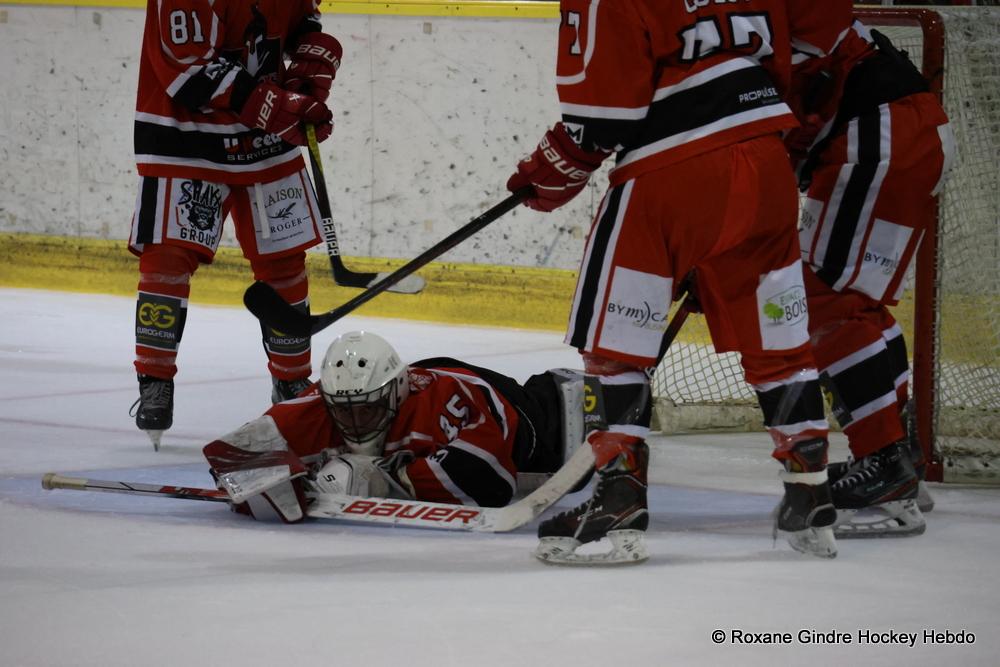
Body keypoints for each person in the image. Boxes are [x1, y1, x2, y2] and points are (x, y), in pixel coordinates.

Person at [506, 1, 838, 564]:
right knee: (777, 342)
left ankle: (618, 500)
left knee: (615, 345)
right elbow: (820, 34)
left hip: (671, 172)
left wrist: (550, 168)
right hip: (766, 165)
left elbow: (604, 113)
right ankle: (810, 492)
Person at [128, 1, 344, 448]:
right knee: (167, 257)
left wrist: (308, 60)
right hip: (184, 137)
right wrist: (276, 105)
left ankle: (291, 387)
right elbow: (188, 71)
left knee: (284, 264)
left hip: (264, 139)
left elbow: (300, 20)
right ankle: (155, 381)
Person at [782, 2, 954, 537]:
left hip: (879, 135)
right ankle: (897, 461)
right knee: (855, 301)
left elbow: (783, 105)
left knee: (823, 298)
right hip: (900, 130)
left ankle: (884, 464)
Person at [202, 331, 580, 523]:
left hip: (512, 405)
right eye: (344, 412)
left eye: (368, 409)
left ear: (397, 391)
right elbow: (233, 455)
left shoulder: (442, 402)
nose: (354, 421)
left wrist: (384, 480)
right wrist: (273, 486)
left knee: (566, 431)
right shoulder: (328, 403)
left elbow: (491, 483)